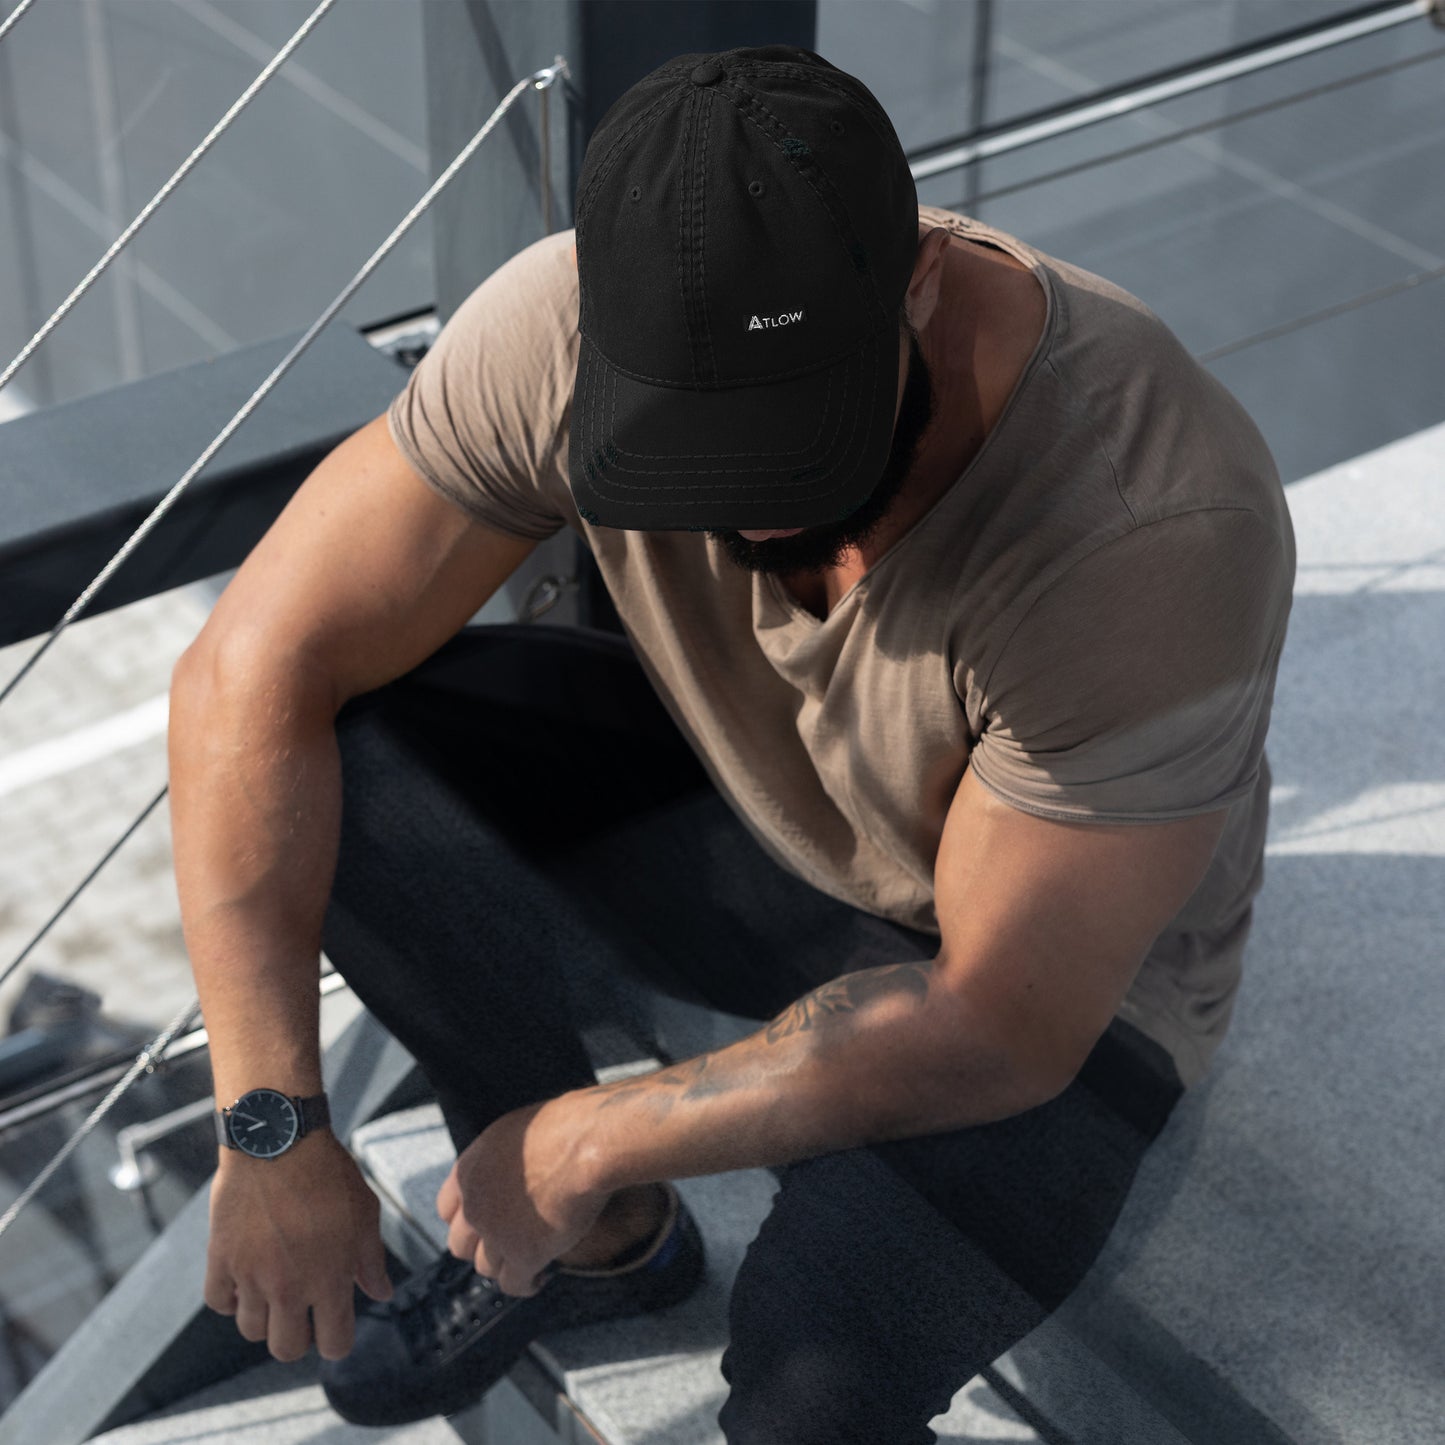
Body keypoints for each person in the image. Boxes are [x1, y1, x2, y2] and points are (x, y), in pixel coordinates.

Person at [169, 45, 1295, 1443]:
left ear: (922, 280)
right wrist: (268, 1120)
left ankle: (570, 1179)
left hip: (1035, 985)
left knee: (806, 1395)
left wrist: (597, 1128)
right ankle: (597, 1243)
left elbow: (996, 1024)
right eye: (692, 453)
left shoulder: (1146, 519)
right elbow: (251, 667)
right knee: (357, 736)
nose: (755, 515)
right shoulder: (555, 330)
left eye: (793, 441)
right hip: (766, 817)